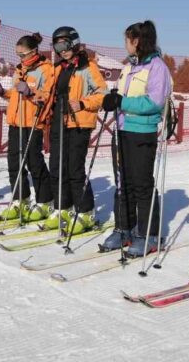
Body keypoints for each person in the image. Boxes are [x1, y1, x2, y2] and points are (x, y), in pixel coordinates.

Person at [99, 20, 172, 256]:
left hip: (142, 132)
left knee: (141, 184)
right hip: (122, 130)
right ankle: (124, 228)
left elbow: (154, 102)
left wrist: (123, 102)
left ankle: (148, 234)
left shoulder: (157, 66)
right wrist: (114, 99)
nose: (125, 45)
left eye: (127, 40)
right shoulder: (129, 67)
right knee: (123, 183)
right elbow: (123, 95)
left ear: (137, 41)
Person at [42, 26, 107, 234]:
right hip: (59, 123)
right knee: (57, 167)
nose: (62, 50)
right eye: (57, 46)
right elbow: (50, 92)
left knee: (75, 170)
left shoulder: (89, 67)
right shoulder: (59, 68)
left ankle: (85, 212)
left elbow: (103, 93)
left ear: (74, 43)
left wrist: (83, 103)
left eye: (65, 45)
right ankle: (63, 208)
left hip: (79, 124)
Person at [0, 33, 54, 222]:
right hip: (16, 122)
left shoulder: (46, 69)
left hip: (33, 122)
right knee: (14, 164)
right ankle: (21, 199)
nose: (20, 58)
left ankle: (45, 201)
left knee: (34, 162)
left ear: (34, 51)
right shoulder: (19, 70)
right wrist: (3, 92)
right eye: (18, 55)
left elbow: (47, 95)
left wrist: (31, 91)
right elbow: (17, 94)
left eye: (23, 54)